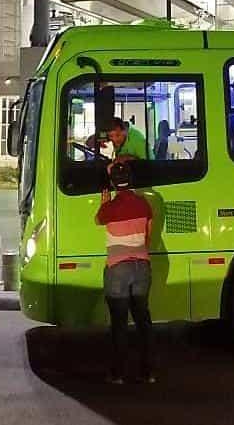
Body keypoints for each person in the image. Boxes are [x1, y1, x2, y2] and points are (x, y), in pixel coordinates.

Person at [95, 162, 155, 385]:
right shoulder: (144, 204)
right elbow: (148, 236)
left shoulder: (109, 208)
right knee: (143, 320)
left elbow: (98, 220)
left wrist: (105, 201)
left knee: (119, 323)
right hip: (142, 267)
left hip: (118, 268)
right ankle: (148, 372)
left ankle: (118, 374)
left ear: (113, 184)